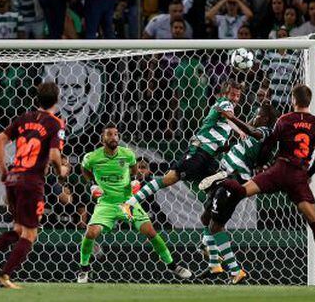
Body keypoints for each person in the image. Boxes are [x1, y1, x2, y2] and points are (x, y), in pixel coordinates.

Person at [204, 85, 315, 279]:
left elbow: (268, 146)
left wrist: (262, 165)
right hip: (298, 177)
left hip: (280, 170)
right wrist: (310, 172)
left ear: (293, 100)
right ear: (310, 100)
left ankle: (224, 181)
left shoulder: (284, 120)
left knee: (241, 191)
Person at [0, 82, 68, 289]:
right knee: (30, 234)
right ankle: (4, 276)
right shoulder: (56, 123)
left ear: (38, 98)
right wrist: (61, 170)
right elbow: (55, 154)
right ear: (57, 99)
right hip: (31, 181)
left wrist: (4, 171)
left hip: (14, 178)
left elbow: (0, 140)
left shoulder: (24, 118)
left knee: (18, 229)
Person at [77, 123, 191, 283]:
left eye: (116, 134)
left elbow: (134, 171)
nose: (113, 137)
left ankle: (173, 266)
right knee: (91, 233)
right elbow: (85, 170)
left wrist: (134, 183)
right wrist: (92, 184)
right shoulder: (92, 157)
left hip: (128, 203)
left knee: (151, 232)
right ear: (102, 138)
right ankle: (84, 270)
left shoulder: (128, 154)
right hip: (106, 203)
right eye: (109, 134)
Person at [121, 80, 248, 215]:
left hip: (209, 155)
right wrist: (240, 131)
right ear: (224, 94)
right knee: (170, 178)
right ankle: (129, 203)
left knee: (221, 188)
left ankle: (210, 228)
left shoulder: (227, 106)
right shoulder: (225, 103)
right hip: (200, 151)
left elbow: (222, 129)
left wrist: (226, 147)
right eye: (232, 95)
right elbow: (229, 118)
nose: (235, 99)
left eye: (238, 96)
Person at [197, 102, 278, 284]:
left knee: (215, 226)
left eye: (257, 114)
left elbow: (254, 132)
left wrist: (231, 117)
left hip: (234, 180)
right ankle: (214, 265)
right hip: (224, 174)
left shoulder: (265, 132)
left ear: (264, 118)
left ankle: (235, 271)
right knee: (205, 217)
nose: (254, 117)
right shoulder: (254, 136)